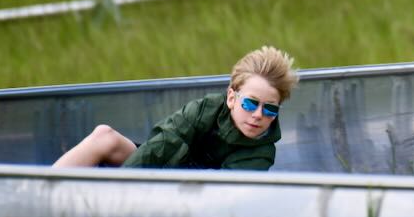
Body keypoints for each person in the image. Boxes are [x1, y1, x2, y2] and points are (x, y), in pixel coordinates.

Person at [52, 46, 298, 171]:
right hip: (165, 170)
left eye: (270, 109)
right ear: (232, 97)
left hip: (191, 201)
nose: (258, 115)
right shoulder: (206, 109)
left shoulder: (261, 152)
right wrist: (125, 186)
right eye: (250, 103)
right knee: (104, 136)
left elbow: (221, 196)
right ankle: (42, 189)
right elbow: (160, 146)